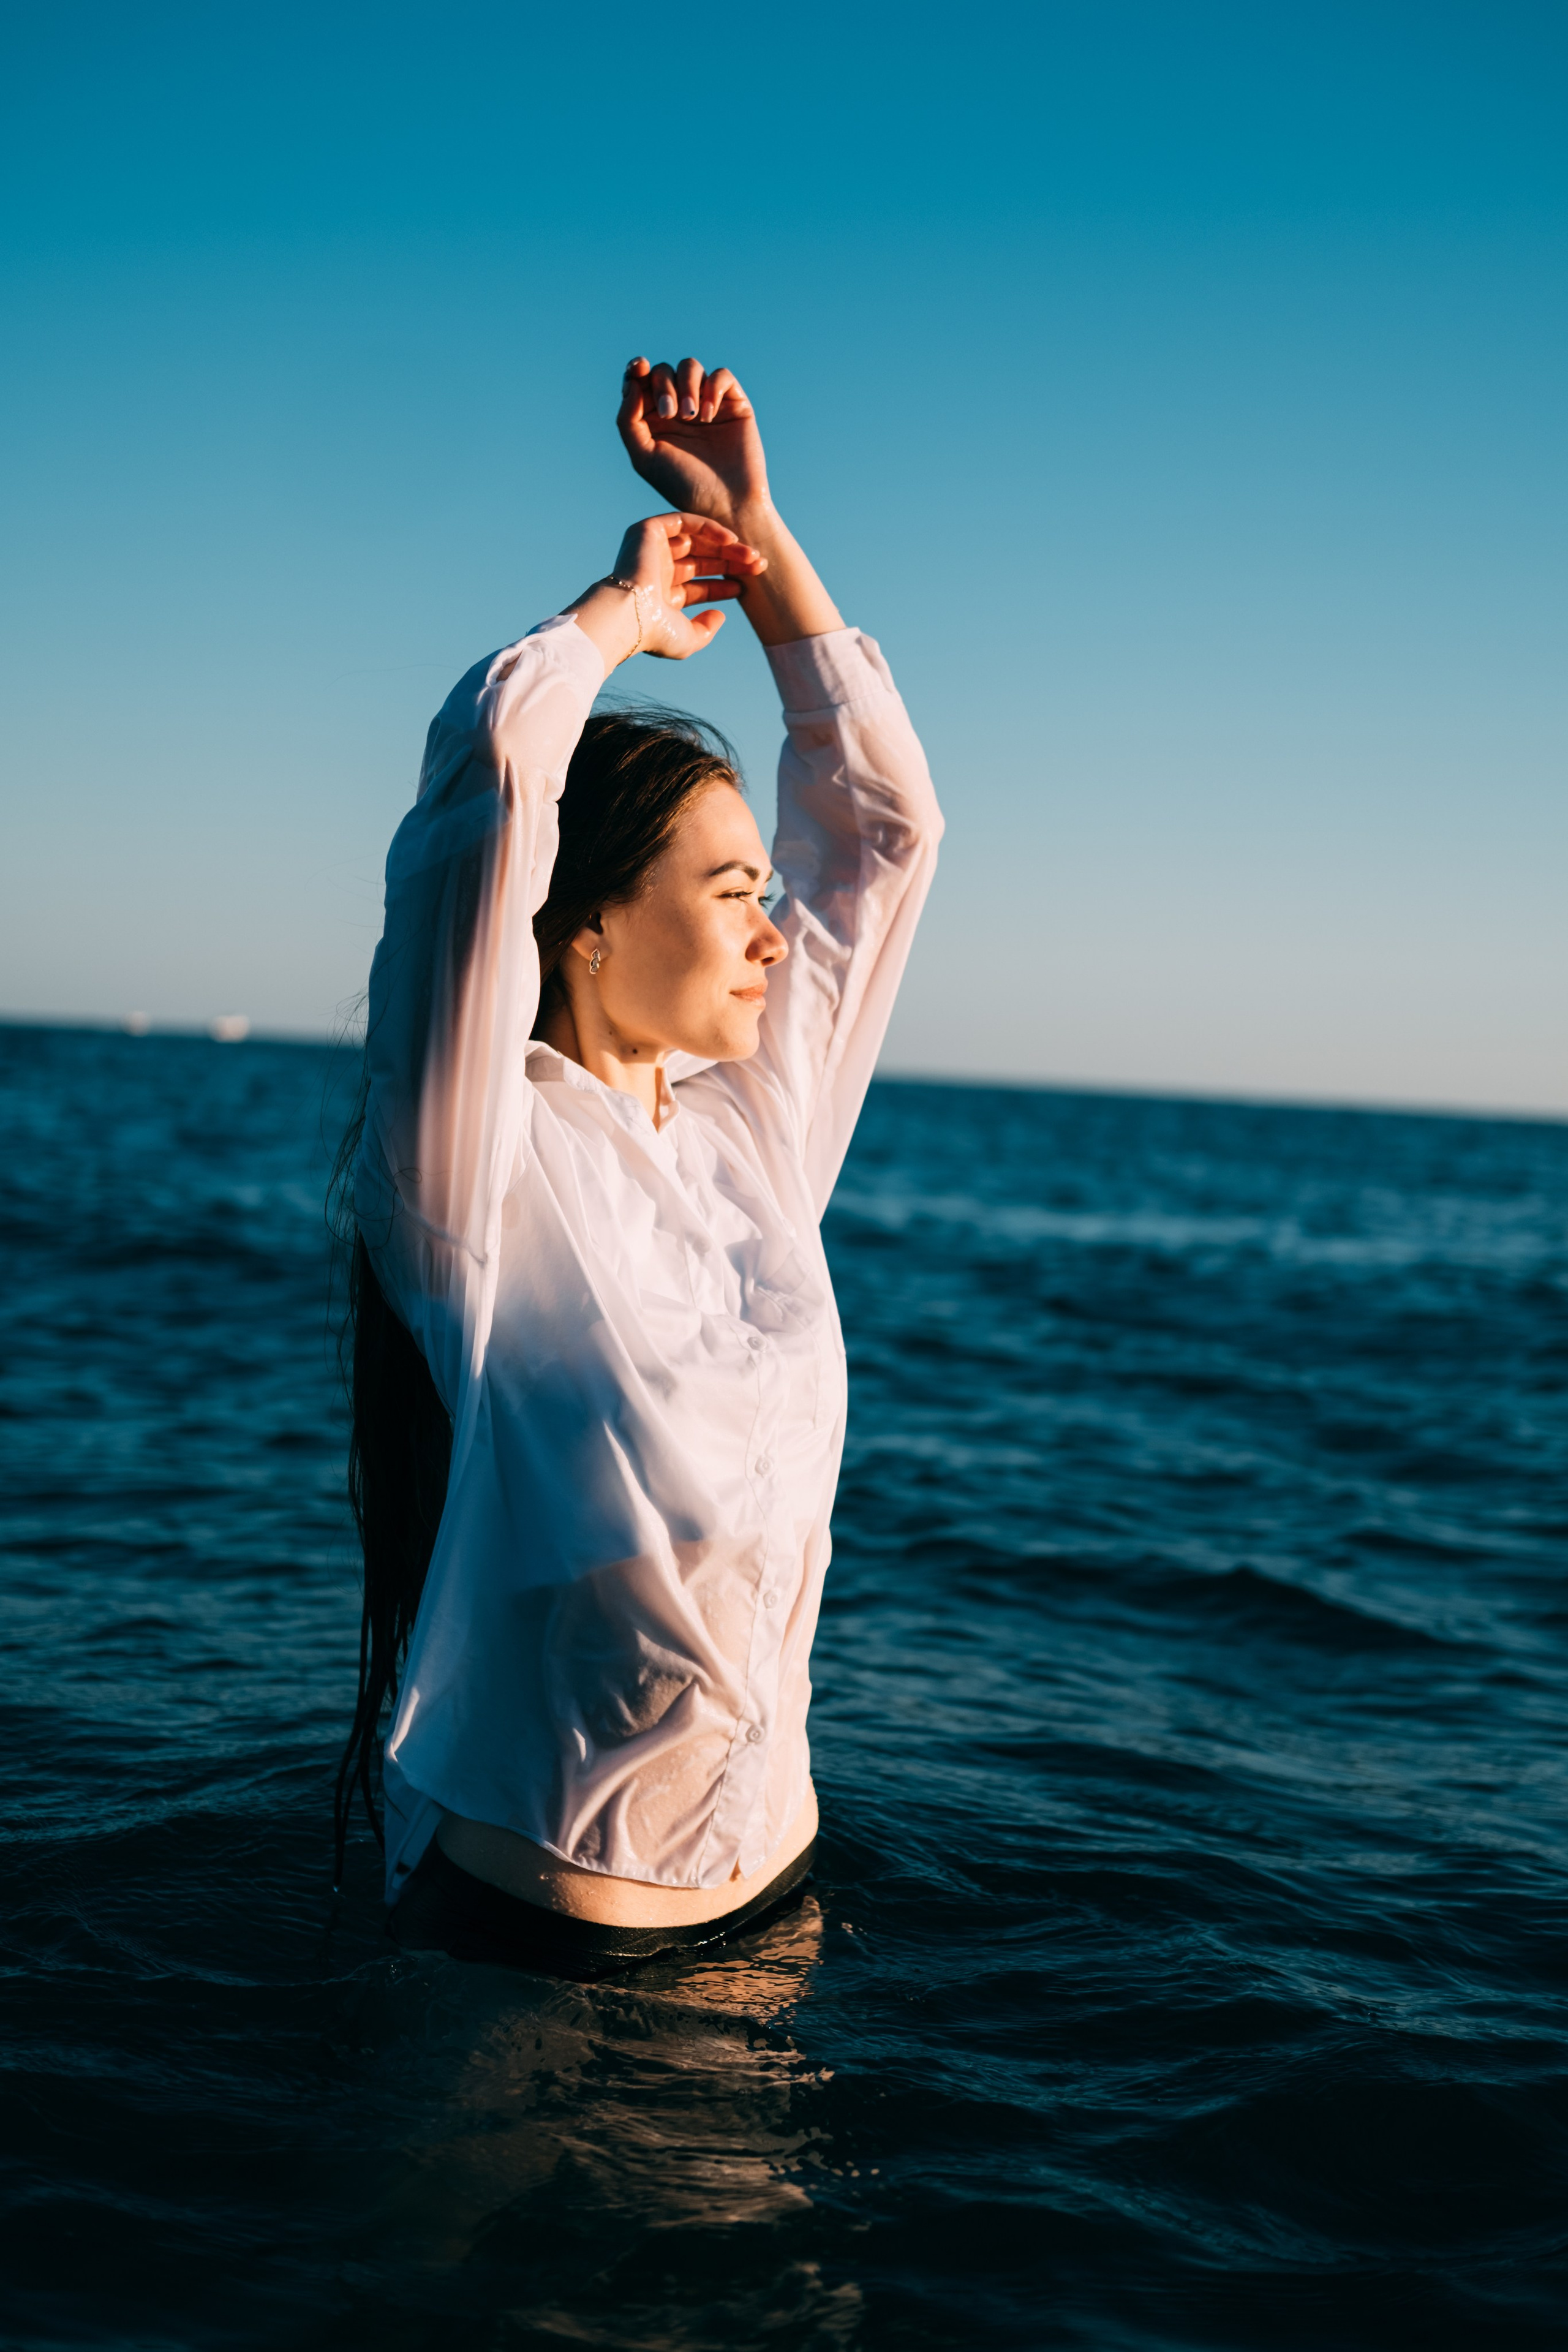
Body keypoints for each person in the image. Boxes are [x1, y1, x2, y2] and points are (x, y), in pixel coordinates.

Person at [336, 356, 942, 1978]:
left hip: (771, 1924)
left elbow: (882, 835)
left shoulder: (752, 1142)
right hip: (536, 1963)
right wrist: (615, 614)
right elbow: (485, 793)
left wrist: (756, 534)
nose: (773, 928)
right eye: (734, 887)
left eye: (768, 891)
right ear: (588, 928)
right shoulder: (476, 1173)